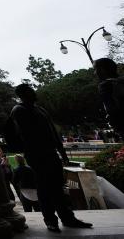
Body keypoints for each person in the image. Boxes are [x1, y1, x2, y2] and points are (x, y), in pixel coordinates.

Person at [9, 84, 92, 232]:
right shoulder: (19, 110)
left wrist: (62, 152)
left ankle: (67, 218)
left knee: (57, 186)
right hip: (37, 154)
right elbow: (26, 135)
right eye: (30, 91)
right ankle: (50, 220)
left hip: (50, 153)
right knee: (44, 187)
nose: (34, 92)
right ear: (23, 94)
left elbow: (52, 132)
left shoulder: (39, 109)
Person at [94, 58, 124, 135]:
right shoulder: (121, 81)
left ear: (103, 70)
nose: (95, 73)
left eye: (95, 69)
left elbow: (111, 109)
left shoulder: (105, 86)